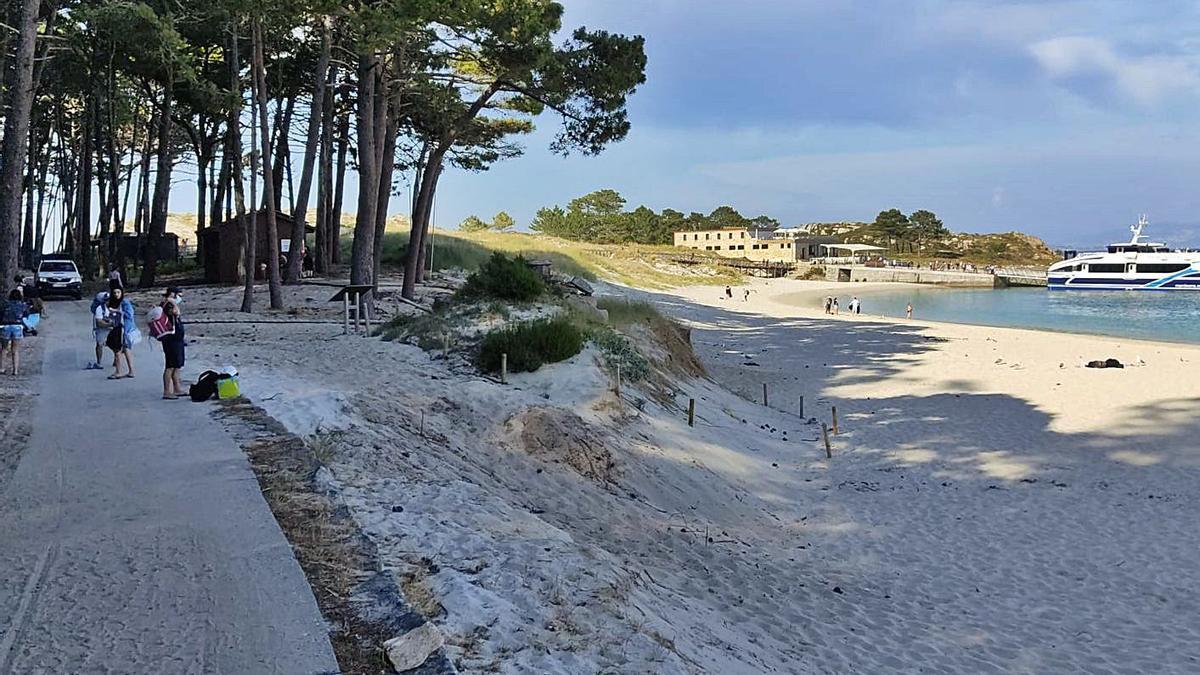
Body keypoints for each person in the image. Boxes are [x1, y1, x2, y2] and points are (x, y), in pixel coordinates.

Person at [98, 287, 138, 379]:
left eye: (118, 292)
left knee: (118, 350)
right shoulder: (114, 302)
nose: (116, 294)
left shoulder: (124, 302)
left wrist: (117, 311)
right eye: (114, 292)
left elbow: (129, 315)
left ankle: (119, 371)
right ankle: (131, 371)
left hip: (123, 328)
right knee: (125, 349)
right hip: (118, 327)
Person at [158, 301, 186, 399]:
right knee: (170, 366)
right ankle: (166, 391)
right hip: (172, 342)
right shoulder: (168, 309)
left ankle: (177, 389)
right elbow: (177, 311)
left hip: (177, 341)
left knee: (177, 366)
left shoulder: (169, 312)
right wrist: (172, 302)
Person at [1, 289, 28, 376]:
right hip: (17, 326)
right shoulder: (22, 305)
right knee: (15, 350)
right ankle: (15, 370)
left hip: (5, 326)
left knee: (4, 348)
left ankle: (2, 368)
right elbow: (26, 314)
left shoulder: (5, 304)